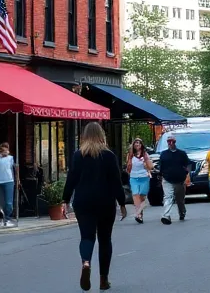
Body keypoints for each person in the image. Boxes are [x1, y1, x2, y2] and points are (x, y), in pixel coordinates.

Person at [62, 123, 127, 292]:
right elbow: (116, 182)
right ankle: (103, 279)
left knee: (86, 236)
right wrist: (122, 203)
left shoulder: (78, 155)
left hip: (83, 202)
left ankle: (85, 262)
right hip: (105, 202)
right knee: (105, 239)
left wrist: (65, 200)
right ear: (101, 135)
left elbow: (71, 179)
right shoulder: (109, 156)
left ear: (84, 136)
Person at [156, 133, 191, 224]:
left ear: (175, 142)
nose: (170, 143)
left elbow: (188, 165)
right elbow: (161, 167)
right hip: (167, 179)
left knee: (180, 199)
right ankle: (166, 215)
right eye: (168, 141)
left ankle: (182, 212)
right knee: (168, 197)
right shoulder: (164, 154)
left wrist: (187, 175)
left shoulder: (181, 154)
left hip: (180, 180)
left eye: (172, 141)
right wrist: (160, 176)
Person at [125, 138, 152, 224]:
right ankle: (138, 215)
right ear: (133, 145)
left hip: (144, 177)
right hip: (134, 177)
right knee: (135, 195)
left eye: (139, 143)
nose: (137, 144)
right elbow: (128, 168)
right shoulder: (130, 155)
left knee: (142, 197)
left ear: (141, 145)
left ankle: (139, 212)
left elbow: (150, 166)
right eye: (135, 143)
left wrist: (146, 165)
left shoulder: (145, 154)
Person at [0, 142, 19, 227]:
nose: (2, 152)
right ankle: (2, 219)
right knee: (0, 202)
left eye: (4, 150)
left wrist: (17, 180)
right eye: (1, 150)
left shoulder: (11, 158)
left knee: (8, 202)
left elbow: (15, 169)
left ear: (7, 150)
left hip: (9, 181)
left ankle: (7, 219)